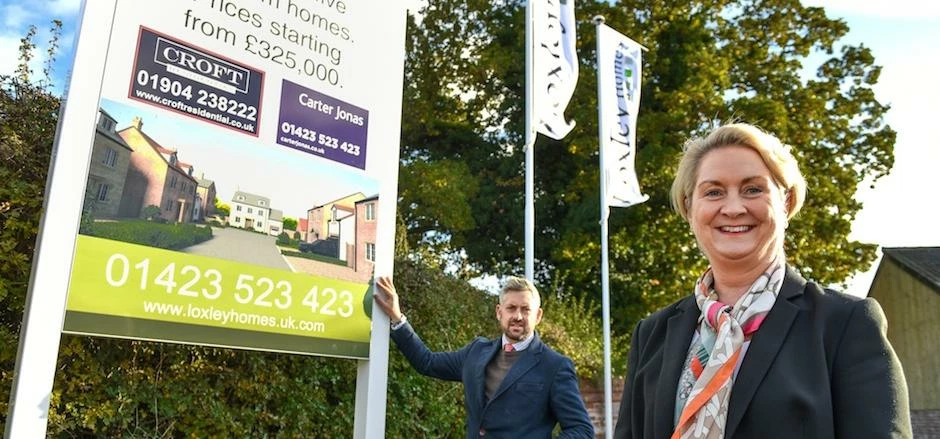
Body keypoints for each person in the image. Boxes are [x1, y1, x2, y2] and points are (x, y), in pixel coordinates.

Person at [613, 123, 912, 439]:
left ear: (786, 201)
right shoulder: (651, 334)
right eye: (713, 192)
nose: (732, 208)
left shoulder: (844, 325)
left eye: (753, 189)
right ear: (690, 209)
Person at [374, 275, 595, 439]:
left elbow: (582, 430)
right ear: (499, 312)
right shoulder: (476, 352)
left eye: (525, 309)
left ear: (537, 315)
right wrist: (397, 317)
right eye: (511, 308)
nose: (518, 316)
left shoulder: (555, 366)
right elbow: (427, 362)